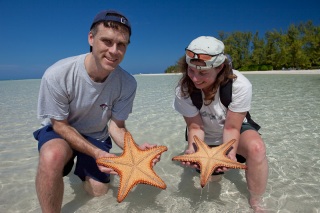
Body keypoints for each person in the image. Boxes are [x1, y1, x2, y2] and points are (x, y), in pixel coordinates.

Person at [33, 10, 162, 212]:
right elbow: (59, 124)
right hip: (61, 132)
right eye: (107, 41)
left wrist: (135, 151)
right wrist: (97, 153)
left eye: (121, 45)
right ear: (91, 38)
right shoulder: (58, 74)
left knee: (99, 192)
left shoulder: (127, 83)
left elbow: (117, 126)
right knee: (52, 156)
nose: (114, 50)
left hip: (96, 136)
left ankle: (83, 172)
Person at [173, 36, 268, 211]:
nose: (194, 78)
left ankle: (256, 200)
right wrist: (192, 150)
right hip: (202, 134)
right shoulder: (183, 89)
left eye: (202, 73)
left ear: (220, 67)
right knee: (213, 180)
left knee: (257, 148)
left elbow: (232, 127)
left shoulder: (240, 85)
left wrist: (229, 154)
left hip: (233, 131)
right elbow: (195, 126)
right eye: (191, 70)